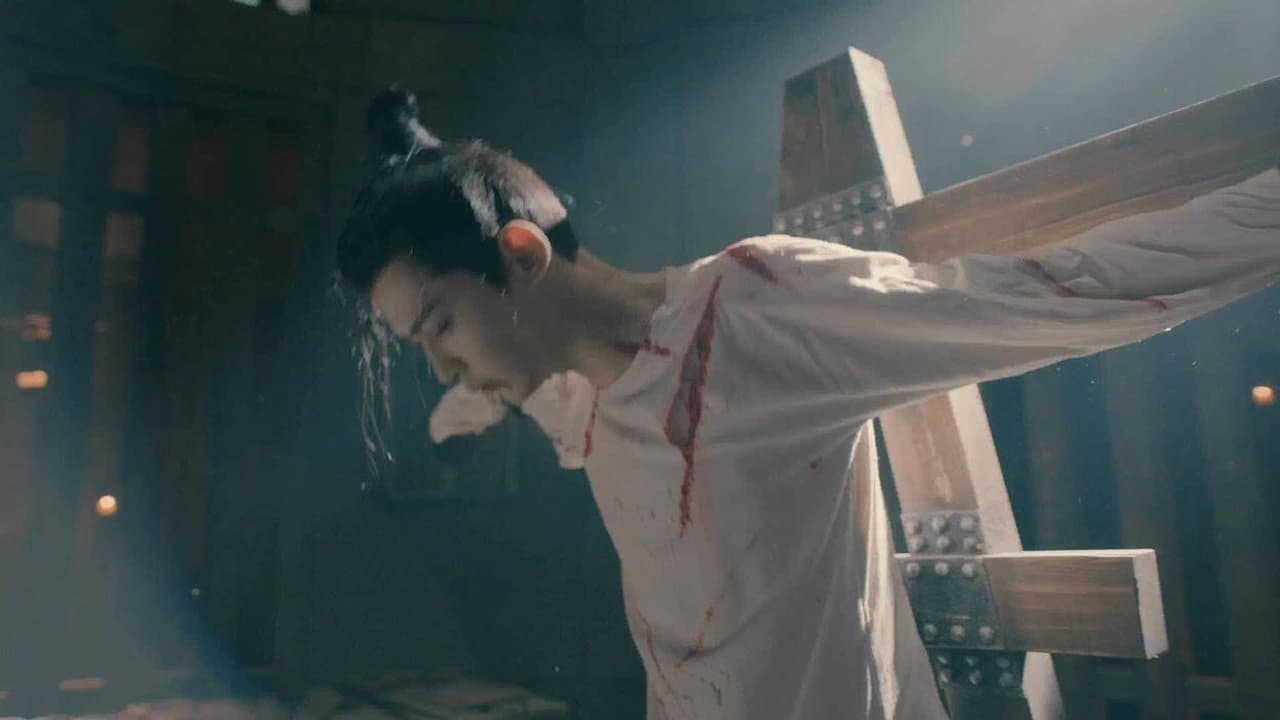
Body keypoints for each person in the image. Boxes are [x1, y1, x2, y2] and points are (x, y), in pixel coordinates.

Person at [335, 88, 1280, 720]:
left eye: (439, 327)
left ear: (522, 253)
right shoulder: (578, 395)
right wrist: (457, 413)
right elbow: (495, 400)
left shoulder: (753, 320)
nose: (445, 366)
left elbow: (1054, 293)